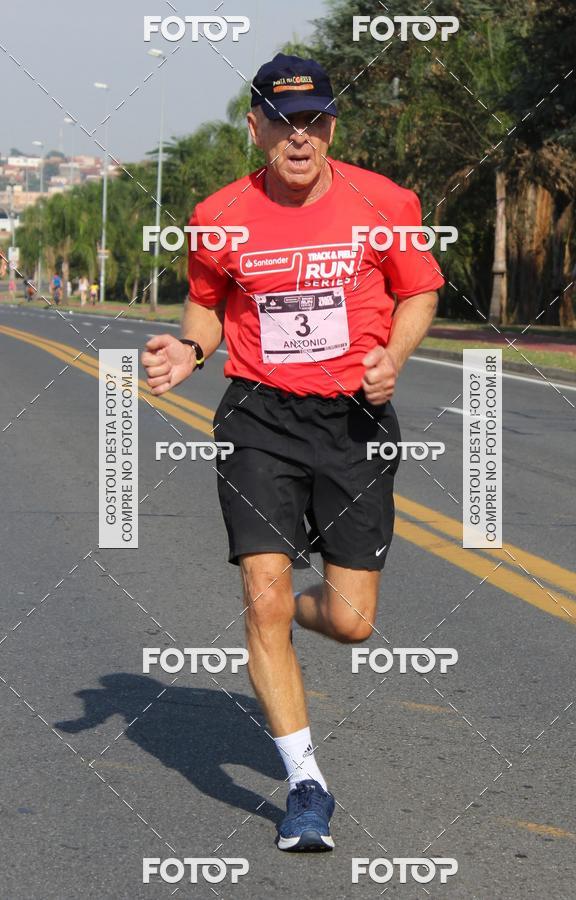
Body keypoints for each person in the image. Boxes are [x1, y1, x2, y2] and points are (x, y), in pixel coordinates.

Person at [142, 53, 444, 852]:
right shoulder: (219, 213)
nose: (300, 137)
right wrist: (189, 352)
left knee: (350, 621)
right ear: (257, 127)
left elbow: (419, 289)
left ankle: (300, 614)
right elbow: (207, 304)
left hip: (353, 421)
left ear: (332, 127)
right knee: (264, 597)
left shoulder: (384, 202)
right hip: (259, 418)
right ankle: (306, 784)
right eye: (283, 121)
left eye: (314, 121)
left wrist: (395, 358)